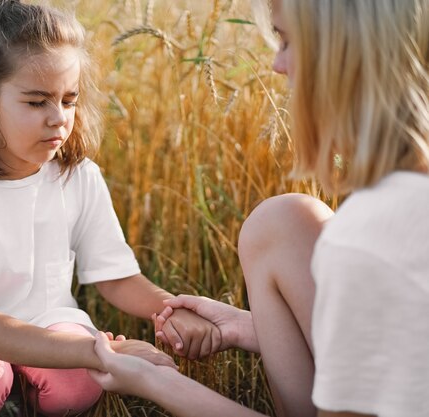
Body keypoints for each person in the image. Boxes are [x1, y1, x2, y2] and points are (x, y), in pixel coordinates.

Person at [89, 0, 429, 416]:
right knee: (281, 223)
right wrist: (250, 327)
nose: (276, 65)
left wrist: (157, 382)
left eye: (286, 41)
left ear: (344, 53)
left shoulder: (367, 237)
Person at [0, 1, 223, 416]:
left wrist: (174, 310)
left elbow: (117, 278)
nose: (59, 119)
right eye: (36, 102)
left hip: (50, 321)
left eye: (69, 100)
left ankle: (27, 394)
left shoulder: (79, 176)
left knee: (75, 391)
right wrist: (98, 349)